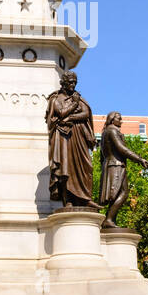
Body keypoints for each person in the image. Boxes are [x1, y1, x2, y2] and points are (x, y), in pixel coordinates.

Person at [45, 71, 96, 208]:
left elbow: (86, 113)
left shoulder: (77, 97)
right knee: (65, 168)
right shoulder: (56, 98)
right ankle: (68, 200)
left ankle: (84, 198)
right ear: (64, 82)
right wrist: (74, 104)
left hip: (79, 136)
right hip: (64, 137)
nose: (73, 85)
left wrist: (71, 117)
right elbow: (61, 112)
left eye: (75, 82)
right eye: (70, 82)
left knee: (86, 166)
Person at [97, 112, 148, 228]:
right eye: (119, 119)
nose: (121, 121)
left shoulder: (105, 132)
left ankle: (110, 220)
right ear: (112, 120)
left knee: (118, 194)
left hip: (111, 165)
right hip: (115, 165)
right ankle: (109, 219)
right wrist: (139, 159)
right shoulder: (112, 131)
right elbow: (122, 149)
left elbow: (102, 156)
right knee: (122, 193)